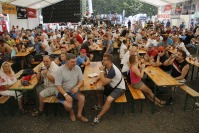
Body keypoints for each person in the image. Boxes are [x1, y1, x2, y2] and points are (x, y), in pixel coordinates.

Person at [93, 54, 126, 125]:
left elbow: (104, 82)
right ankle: (100, 105)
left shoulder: (112, 71)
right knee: (97, 89)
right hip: (112, 85)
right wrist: (96, 79)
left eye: (104, 60)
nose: (102, 61)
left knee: (108, 99)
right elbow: (104, 73)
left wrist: (101, 71)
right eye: (103, 59)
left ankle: (98, 117)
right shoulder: (107, 66)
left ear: (109, 61)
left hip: (119, 88)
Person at [55, 53, 88, 122]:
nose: (75, 63)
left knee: (82, 98)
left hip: (73, 91)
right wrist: (66, 95)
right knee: (69, 106)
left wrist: (77, 87)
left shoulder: (77, 68)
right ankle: (71, 112)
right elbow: (58, 85)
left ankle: (79, 115)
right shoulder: (60, 70)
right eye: (72, 62)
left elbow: (81, 80)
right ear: (67, 61)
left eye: (75, 61)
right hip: (63, 92)